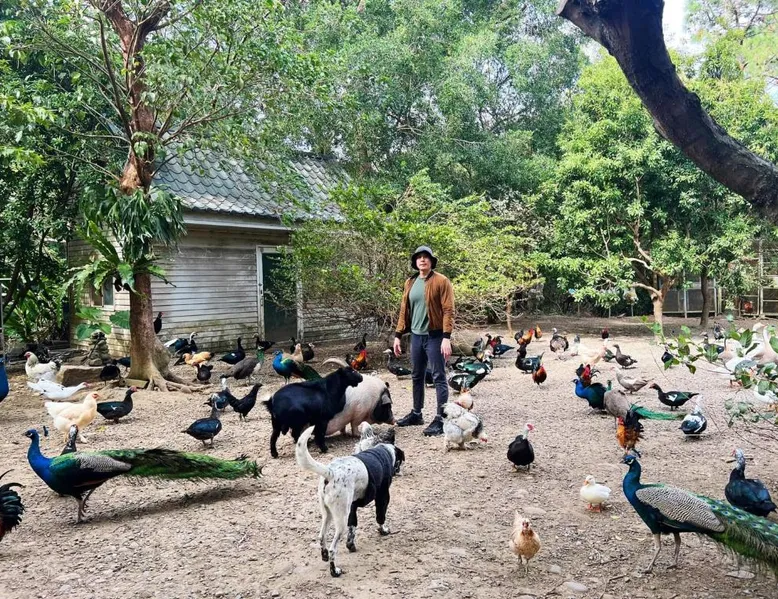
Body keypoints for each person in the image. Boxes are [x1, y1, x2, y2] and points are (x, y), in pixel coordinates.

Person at [393, 246, 454, 436]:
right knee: (417, 375)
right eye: (419, 257)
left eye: (426, 257)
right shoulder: (410, 282)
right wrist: (398, 335)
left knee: (438, 376)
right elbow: (404, 309)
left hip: (435, 336)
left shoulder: (441, 281)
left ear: (431, 261)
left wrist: (446, 337)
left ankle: (441, 419)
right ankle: (417, 414)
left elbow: (448, 310)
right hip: (416, 336)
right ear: (415, 262)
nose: (422, 260)